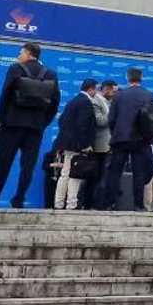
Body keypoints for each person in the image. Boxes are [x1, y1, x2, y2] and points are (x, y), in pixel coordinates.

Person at [0, 43, 59, 209]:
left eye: (21, 53)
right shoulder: (51, 74)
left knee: (2, 163)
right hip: (35, 128)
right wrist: (43, 123)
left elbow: (5, 94)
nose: (18, 56)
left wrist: (1, 119)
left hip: (12, 124)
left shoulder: (16, 69)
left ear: (29, 54)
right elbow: (55, 103)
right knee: (27, 166)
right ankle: (19, 198)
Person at [103, 68, 153, 211]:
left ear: (127, 78)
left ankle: (110, 203)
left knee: (115, 172)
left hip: (120, 138)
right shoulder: (149, 95)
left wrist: (115, 133)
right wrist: (149, 137)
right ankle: (138, 205)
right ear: (141, 78)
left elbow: (111, 119)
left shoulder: (118, 96)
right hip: (140, 139)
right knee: (139, 173)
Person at [48, 79, 99, 210]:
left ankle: (58, 203)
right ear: (91, 89)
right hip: (77, 145)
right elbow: (83, 125)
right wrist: (85, 145)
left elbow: (62, 120)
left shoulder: (73, 101)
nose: (96, 92)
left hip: (67, 143)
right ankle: (72, 204)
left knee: (65, 173)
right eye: (96, 89)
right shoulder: (85, 103)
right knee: (75, 174)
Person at [80, 80, 115, 209]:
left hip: (107, 146)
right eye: (112, 91)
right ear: (106, 89)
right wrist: (114, 116)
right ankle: (90, 203)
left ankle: (99, 203)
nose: (113, 95)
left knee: (102, 177)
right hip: (99, 146)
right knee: (94, 177)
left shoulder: (108, 102)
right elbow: (100, 121)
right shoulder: (96, 101)